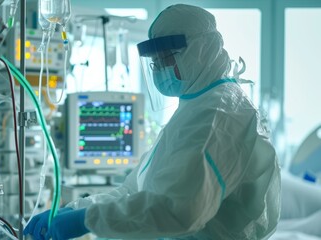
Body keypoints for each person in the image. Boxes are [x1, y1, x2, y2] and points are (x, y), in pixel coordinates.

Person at [24, 4, 281, 240]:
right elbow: (136, 190)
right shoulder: (196, 105)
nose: (160, 69)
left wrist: (86, 220)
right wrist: (74, 210)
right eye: (155, 62)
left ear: (201, 51)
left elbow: (179, 210)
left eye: (167, 58)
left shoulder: (217, 115)